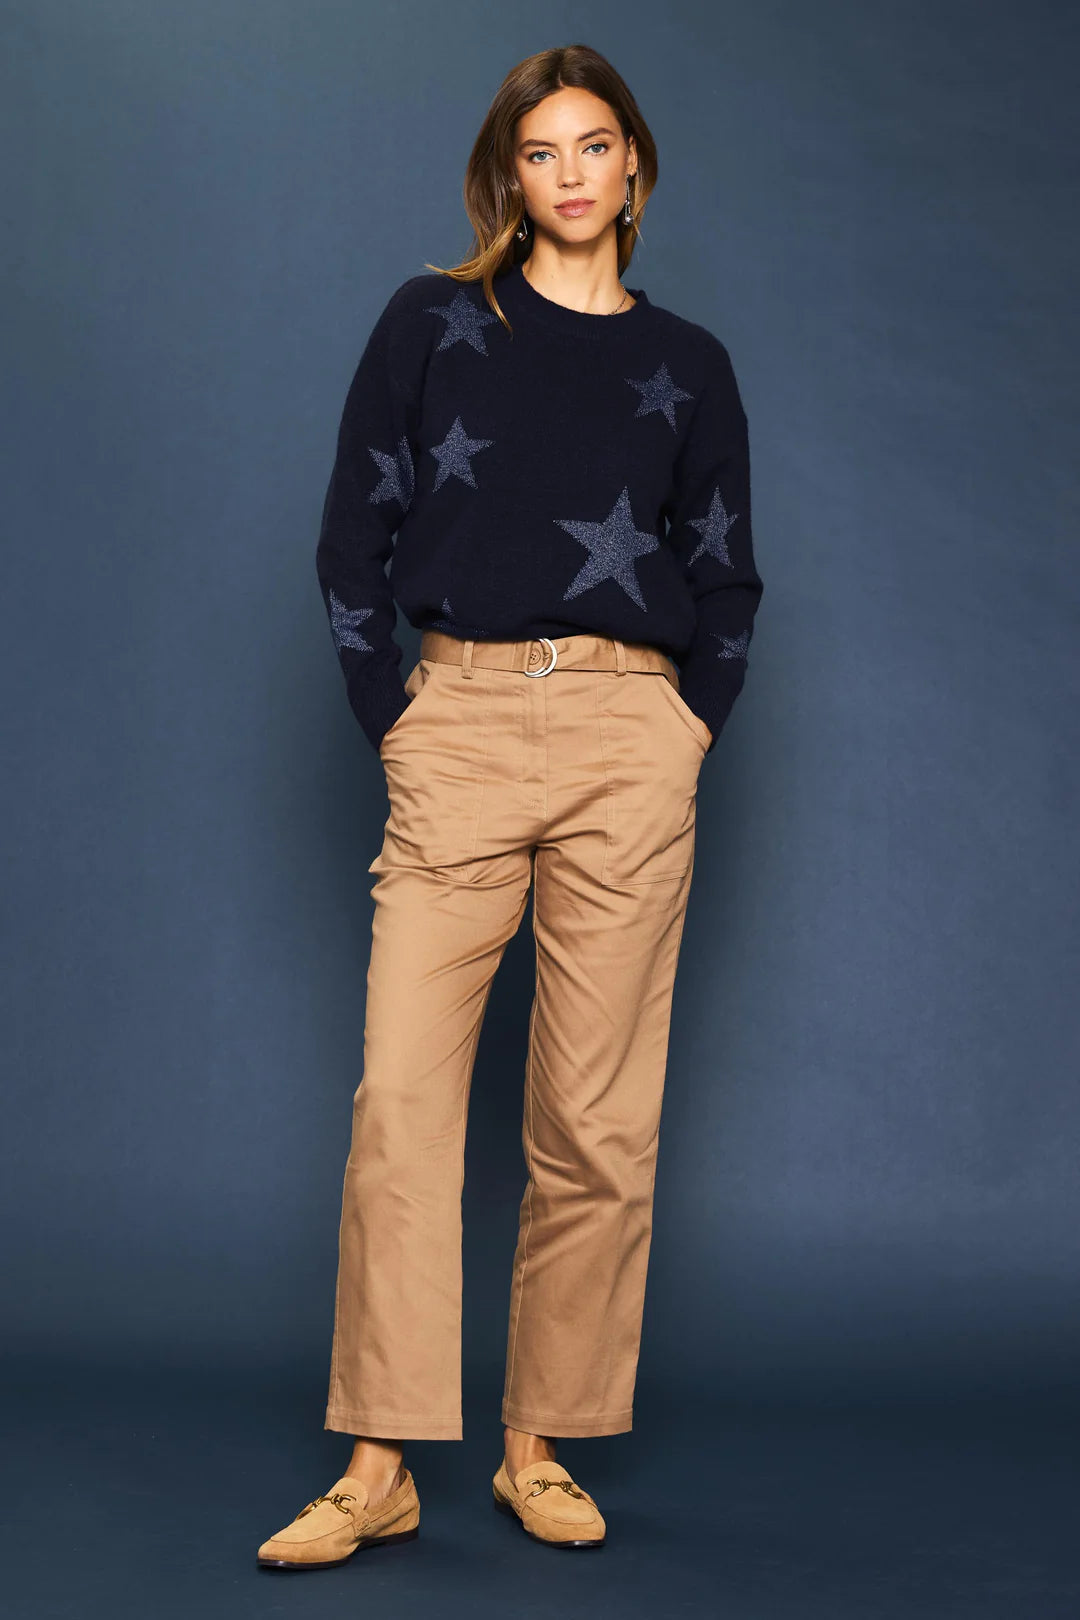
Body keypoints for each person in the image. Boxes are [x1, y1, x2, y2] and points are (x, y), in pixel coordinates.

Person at [257, 41, 763, 1568]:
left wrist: (685, 728)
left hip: (628, 734)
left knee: (595, 1122)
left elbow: (726, 570)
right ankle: (380, 1464)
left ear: (636, 164)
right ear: (511, 175)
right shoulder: (432, 323)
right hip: (460, 724)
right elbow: (353, 535)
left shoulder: (693, 364)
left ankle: (537, 1449)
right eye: (541, 152)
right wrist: (396, 718)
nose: (570, 174)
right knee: (403, 1104)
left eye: (593, 145)